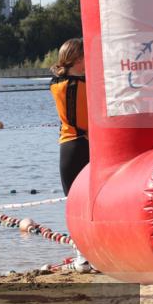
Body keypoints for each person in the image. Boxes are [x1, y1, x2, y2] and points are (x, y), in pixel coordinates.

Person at [50, 38, 88, 195]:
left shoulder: (56, 83)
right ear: (79, 59)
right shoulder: (82, 84)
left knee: (72, 200)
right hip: (83, 144)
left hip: (66, 147)